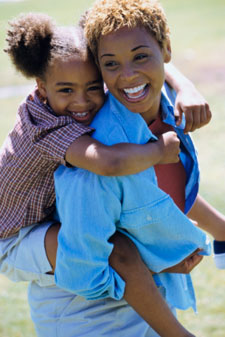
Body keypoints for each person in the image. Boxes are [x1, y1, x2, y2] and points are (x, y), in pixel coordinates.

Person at [0, 12, 209, 337]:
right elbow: (108, 163)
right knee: (117, 250)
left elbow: (137, 58)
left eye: (92, 87)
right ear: (41, 87)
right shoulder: (46, 127)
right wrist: (157, 151)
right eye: (66, 90)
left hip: (43, 220)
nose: (82, 101)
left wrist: (185, 85)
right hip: (14, 236)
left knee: (119, 244)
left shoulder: (75, 98)